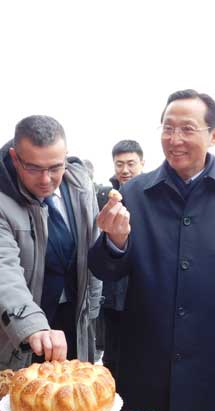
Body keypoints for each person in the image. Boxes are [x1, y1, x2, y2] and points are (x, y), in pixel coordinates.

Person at [89, 89, 215, 411]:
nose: (175, 139)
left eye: (187, 129)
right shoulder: (135, 193)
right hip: (145, 356)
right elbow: (104, 270)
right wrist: (115, 241)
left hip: (212, 360)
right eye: (168, 128)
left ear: (214, 135)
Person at [0, 115, 101, 370]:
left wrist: (93, 311)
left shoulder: (82, 188)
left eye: (55, 168)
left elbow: (93, 251)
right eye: (33, 168)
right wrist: (32, 326)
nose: (45, 180)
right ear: (15, 157)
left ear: (65, 157)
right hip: (20, 331)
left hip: (74, 325)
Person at [95, 140, 145, 379]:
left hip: (141, 291)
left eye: (131, 164)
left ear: (142, 163)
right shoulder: (104, 197)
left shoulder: (150, 197)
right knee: (112, 354)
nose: (125, 170)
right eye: (119, 164)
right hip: (112, 292)